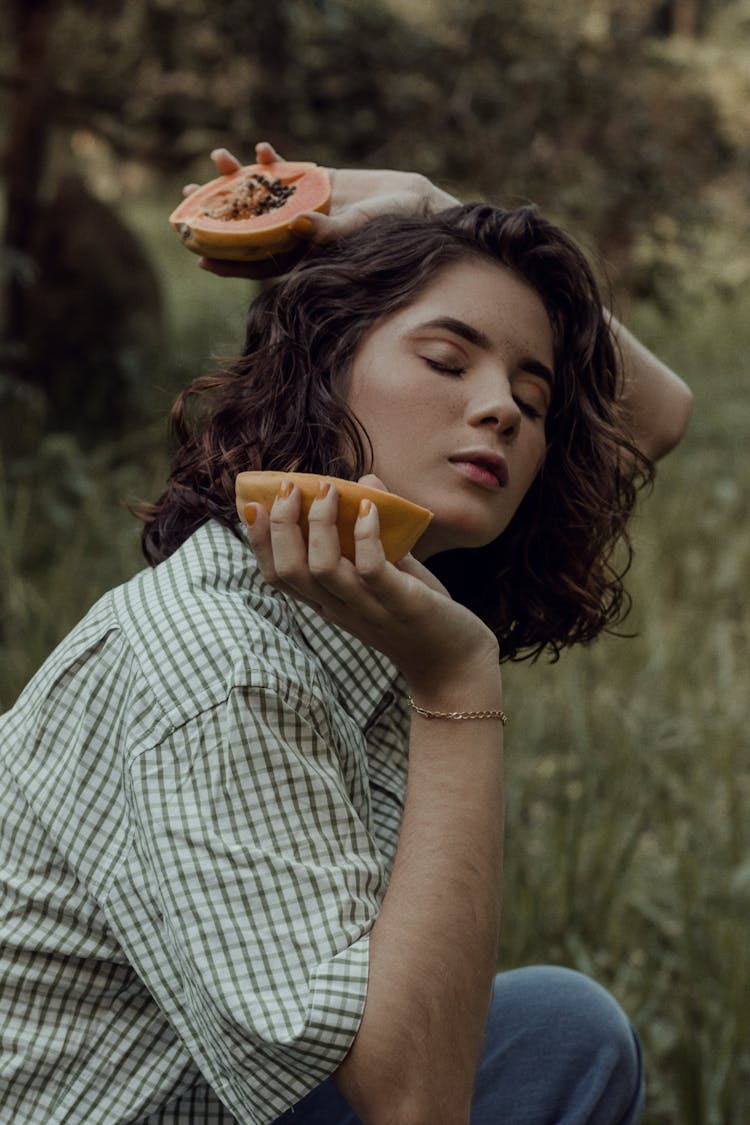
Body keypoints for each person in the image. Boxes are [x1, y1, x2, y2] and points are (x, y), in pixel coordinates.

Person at [0, 146, 692, 1125]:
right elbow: (413, 1107)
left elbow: (658, 417)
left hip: (207, 1095)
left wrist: (432, 212)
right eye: (448, 361)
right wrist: (460, 683)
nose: (500, 406)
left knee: (562, 1033)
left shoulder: (366, 598)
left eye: (530, 401)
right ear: (321, 371)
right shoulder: (219, 663)